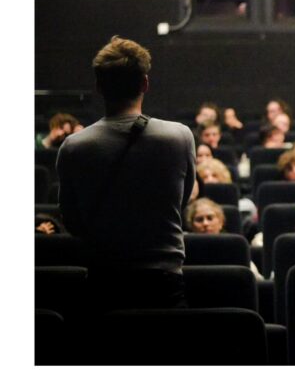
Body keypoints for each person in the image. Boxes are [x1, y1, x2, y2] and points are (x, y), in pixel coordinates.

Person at [57, 36, 195, 311]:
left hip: (105, 281)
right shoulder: (179, 136)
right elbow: (181, 202)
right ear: (145, 83)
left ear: (99, 86)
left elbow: (72, 221)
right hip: (163, 281)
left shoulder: (74, 146)